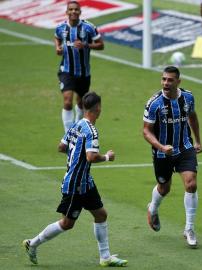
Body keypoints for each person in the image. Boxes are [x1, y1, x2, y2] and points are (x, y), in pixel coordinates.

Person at [22, 92, 127, 267]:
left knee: (101, 214)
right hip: (75, 184)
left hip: (86, 182)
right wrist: (107, 157)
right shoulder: (91, 130)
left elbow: (61, 146)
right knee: (67, 223)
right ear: (98, 108)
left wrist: (74, 155)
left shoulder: (76, 125)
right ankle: (32, 244)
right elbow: (91, 157)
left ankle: (105, 257)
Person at [143, 66, 202, 248]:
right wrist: (161, 146)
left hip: (184, 147)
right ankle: (153, 207)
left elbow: (192, 116)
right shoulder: (154, 103)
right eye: (163, 79)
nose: (165, 83)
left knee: (191, 184)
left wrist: (197, 141)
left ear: (178, 82)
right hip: (162, 152)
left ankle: (189, 228)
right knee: (164, 188)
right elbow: (146, 131)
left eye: (169, 80)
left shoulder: (188, 97)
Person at [55, 1, 104, 133]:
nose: (73, 12)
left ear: (80, 12)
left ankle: (76, 128)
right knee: (67, 101)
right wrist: (58, 48)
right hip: (66, 70)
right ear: (67, 12)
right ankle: (68, 134)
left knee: (81, 102)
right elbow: (57, 38)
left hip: (84, 73)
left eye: (76, 9)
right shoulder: (60, 28)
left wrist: (86, 45)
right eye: (70, 10)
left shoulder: (88, 27)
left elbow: (101, 45)